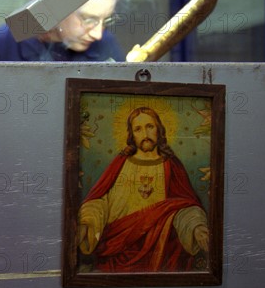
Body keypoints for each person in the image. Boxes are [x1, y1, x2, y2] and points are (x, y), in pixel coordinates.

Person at [77, 107, 210, 272]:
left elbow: (183, 206)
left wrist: (196, 226)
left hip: (160, 252)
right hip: (117, 251)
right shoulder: (120, 163)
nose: (145, 133)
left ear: (159, 130)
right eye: (138, 129)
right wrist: (87, 222)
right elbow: (100, 201)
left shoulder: (172, 166)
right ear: (131, 135)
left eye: (150, 126)